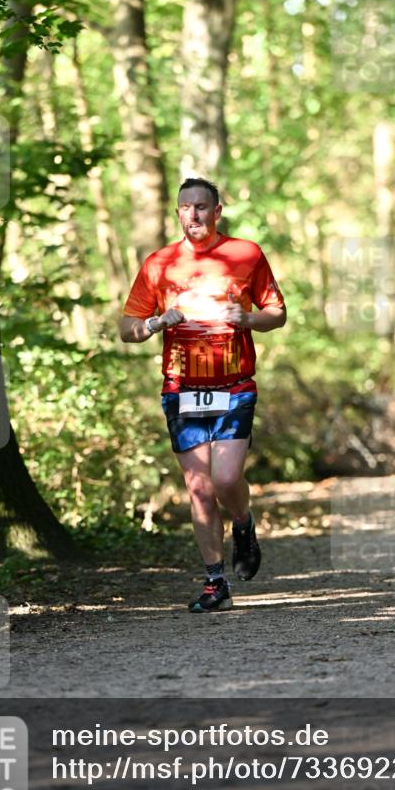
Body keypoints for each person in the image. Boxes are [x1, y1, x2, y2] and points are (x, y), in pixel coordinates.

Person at [119, 178, 286, 612]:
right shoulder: (159, 263)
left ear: (217, 211)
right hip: (181, 388)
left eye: (201, 207)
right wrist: (156, 323)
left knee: (226, 479)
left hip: (233, 385)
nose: (192, 215)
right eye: (185, 208)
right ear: (177, 214)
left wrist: (247, 319)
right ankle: (215, 583)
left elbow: (277, 314)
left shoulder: (245, 254)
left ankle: (244, 524)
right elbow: (127, 329)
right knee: (198, 488)